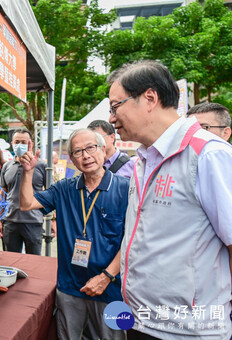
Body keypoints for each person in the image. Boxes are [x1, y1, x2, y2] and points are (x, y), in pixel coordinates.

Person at [108, 60, 232, 339]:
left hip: (188, 331)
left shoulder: (209, 155)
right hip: (141, 322)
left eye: (116, 106)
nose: (112, 118)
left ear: (149, 98)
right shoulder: (142, 159)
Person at [19, 128, 128, 339]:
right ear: (72, 159)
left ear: (103, 149)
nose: (85, 155)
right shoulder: (64, 189)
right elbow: (26, 204)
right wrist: (28, 171)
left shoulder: (126, 188)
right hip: (70, 288)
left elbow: (134, 241)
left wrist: (106, 277)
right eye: (78, 151)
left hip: (111, 290)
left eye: (90, 148)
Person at [0, 128, 53, 255]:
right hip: (10, 221)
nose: (19, 145)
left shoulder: (41, 166)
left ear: (30, 144)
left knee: (34, 261)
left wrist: (53, 220)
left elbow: (51, 195)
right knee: (11, 260)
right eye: (17, 142)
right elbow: (2, 195)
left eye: (23, 142)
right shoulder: (6, 166)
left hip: (33, 222)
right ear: (12, 143)